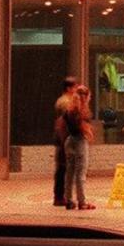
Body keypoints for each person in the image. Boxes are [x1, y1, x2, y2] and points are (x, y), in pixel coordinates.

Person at [63, 85, 96, 210]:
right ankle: (82, 202)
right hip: (80, 142)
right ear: (86, 97)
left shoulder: (69, 110)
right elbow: (84, 128)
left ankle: (69, 200)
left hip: (69, 141)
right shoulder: (84, 112)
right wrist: (89, 133)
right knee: (81, 174)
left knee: (69, 173)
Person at [53, 75, 78, 207]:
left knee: (63, 168)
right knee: (63, 168)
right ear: (69, 88)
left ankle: (60, 195)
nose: (76, 89)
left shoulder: (64, 100)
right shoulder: (65, 102)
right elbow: (66, 121)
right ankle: (59, 196)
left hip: (62, 137)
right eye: (74, 86)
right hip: (64, 137)